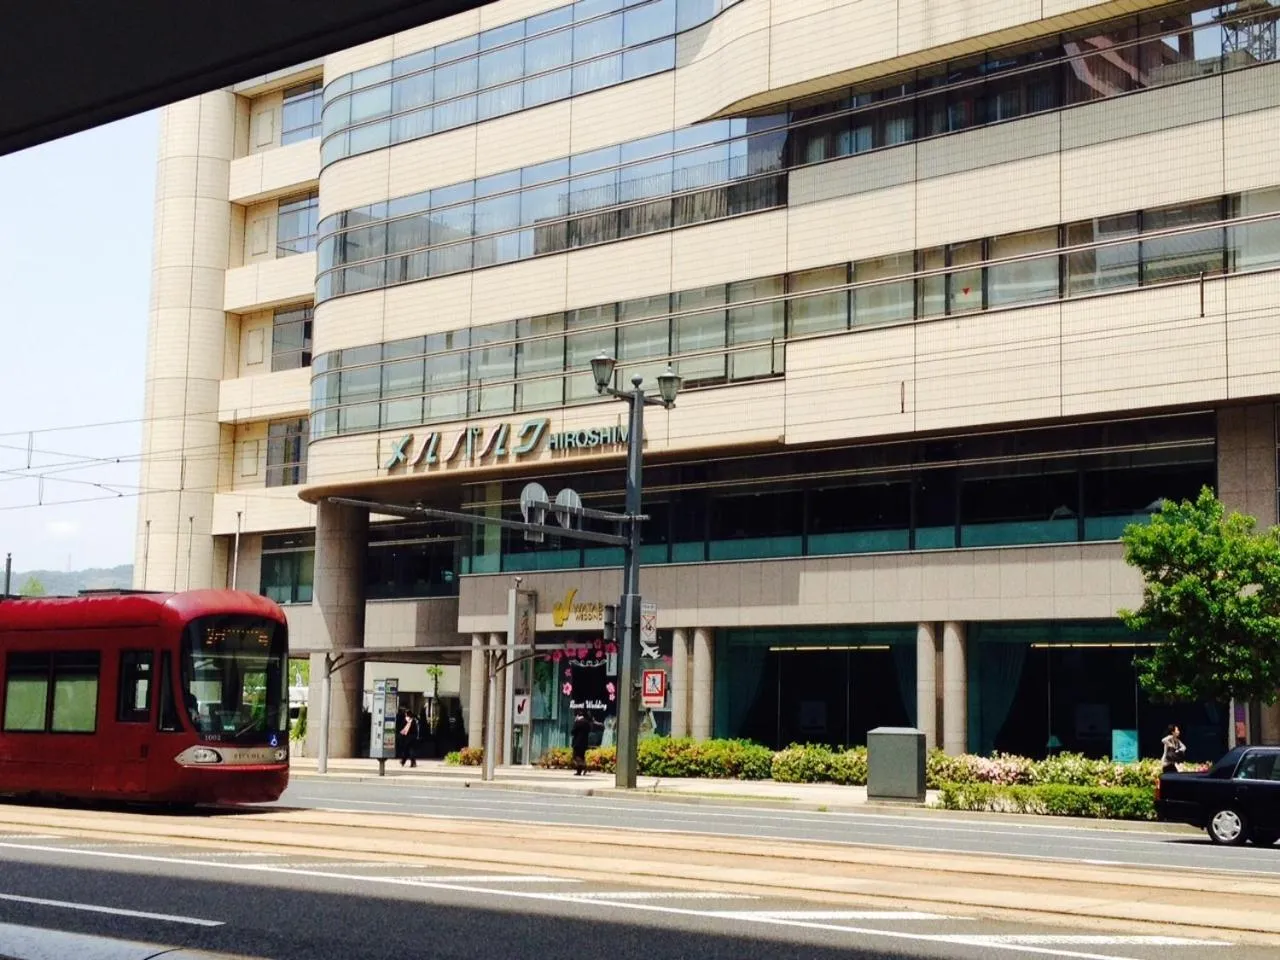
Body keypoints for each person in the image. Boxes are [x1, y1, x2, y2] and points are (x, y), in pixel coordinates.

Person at [570, 711, 594, 776]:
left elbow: (572, 732)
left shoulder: (578, 722)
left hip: (577, 742)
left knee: (575, 757)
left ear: (578, 716)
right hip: (584, 743)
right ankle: (579, 771)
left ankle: (585, 766)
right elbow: (589, 730)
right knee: (581, 757)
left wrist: (575, 722)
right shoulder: (587, 723)